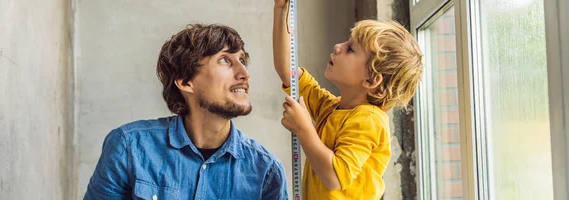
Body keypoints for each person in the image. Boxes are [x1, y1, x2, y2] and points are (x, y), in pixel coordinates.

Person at [84, 23, 289, 200]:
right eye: (225, 60)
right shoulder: (128, 148)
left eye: (242, 60)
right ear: (185, 81)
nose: (244, 74)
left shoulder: (266, 171)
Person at [273, 0, 424, 199]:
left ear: (371, 79)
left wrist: (303, 129)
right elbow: (288, 73)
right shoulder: (332, 108)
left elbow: (335, 176)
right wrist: (280, 10)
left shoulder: (369, 120)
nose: (338, 47)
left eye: (351, 49)